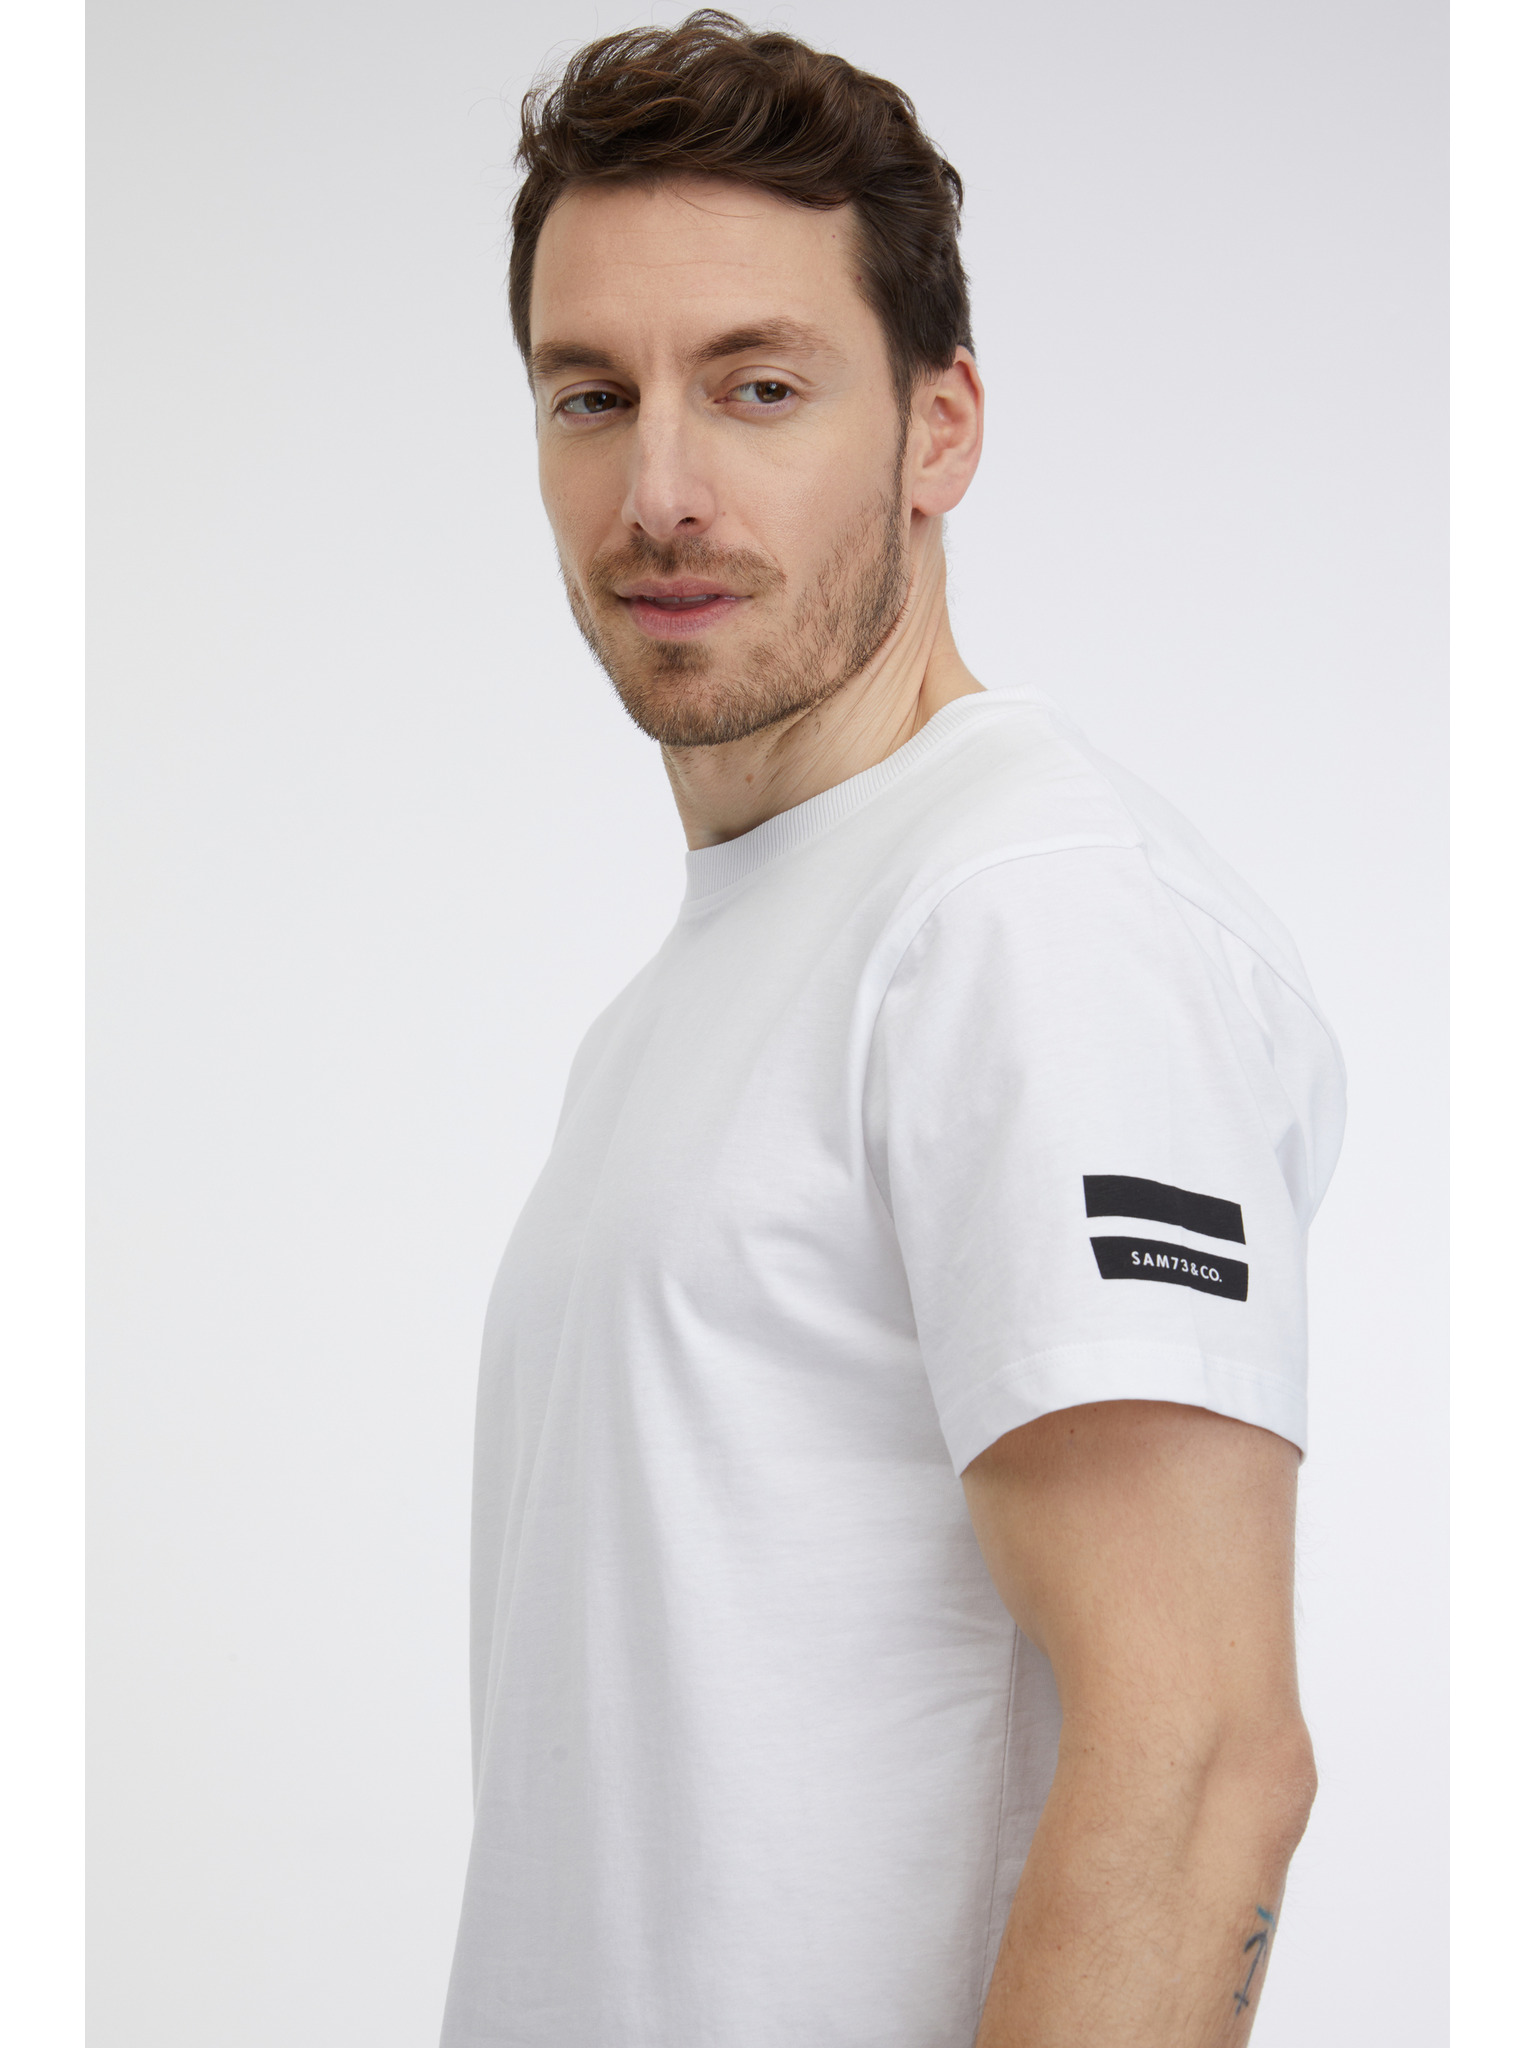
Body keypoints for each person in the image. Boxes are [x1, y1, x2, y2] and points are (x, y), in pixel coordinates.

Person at [439, 13, 1345, 2046]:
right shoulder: (704, 982)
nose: (660, 491)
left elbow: (1205, 1765)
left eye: (758, 387)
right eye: (592, 396)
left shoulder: (1032, 912)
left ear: (941, 429)